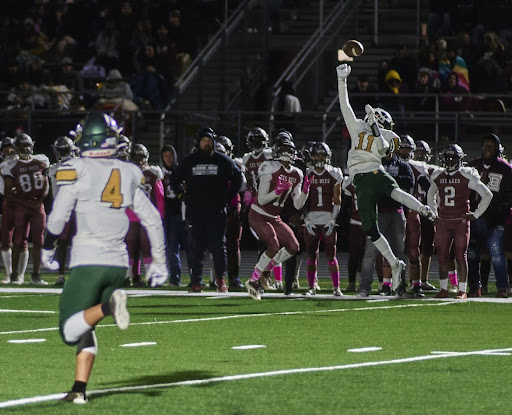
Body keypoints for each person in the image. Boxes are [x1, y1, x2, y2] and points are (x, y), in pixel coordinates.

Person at [40, 112, 167, 404]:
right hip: (117, 264)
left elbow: (58, 218)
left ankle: (111, 305)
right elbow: (152, 219)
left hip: (88, 260)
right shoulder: (128, 171)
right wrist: (158, 261)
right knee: (87, 326)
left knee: (70, 329)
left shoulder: (76, 168)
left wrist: (47, 248)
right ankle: (79, 390)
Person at [336, 63, 436, 293]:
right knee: (370, 230)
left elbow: (384, 148)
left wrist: (376, 129)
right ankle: (394, 263)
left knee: (396, 193)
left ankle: (423, 209)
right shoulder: (357, 126)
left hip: (373, 173)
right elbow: (345, 106)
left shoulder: (388, 135)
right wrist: (341, 79)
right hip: (360, 180)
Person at [171, 127, 243, 293]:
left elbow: (238, 177)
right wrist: (182, 195)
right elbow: (175, 179)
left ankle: (220, 280)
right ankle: (196, 281)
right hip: (195, 211)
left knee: (218, 247)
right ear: (198, 143)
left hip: (216, 211)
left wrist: (229, 196)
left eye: (209, 141)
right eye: (204, 141)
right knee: (196, 247)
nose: (207, 144)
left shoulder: (223, 160)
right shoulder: (189, 161)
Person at [245, 134, 311, 300]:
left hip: (275, 216)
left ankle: (266, 269)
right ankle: (253, 280)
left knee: (294, 246)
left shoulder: (297, 173)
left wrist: (305, 192)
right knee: (273, 244)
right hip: (258, 214)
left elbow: (297, 205)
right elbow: (261, 199)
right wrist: (277, 191)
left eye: (289, 150)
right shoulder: (269, 166)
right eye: (283, 150)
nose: (286, 154)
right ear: (276, 151)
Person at [428, 144, 492, 299]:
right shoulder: (438, 175)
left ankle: (462, 289)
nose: (450, 161)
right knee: (442, 255)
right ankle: (443, 288)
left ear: (460, 159)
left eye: (453, 158)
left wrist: (476, 215)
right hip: (443, 220)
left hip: (460, 221)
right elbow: (430, 196)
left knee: (460, 255)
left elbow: (487, 194)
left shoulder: (467, 174)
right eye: (447, 158)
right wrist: (433, 214)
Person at [356, 137, 417, 297]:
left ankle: (400, 288)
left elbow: (410, 182)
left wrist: (386, 181)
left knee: (399, 251)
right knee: (370, 252)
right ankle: (364, 287)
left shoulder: (402, 165)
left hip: (397, 212)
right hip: (378, 211)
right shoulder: (375, 164)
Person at [467, 134, 512, 298]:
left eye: (491, 145)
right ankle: (475, 287)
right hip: (475, 218)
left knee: (496, 253)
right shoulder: (472, 167)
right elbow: (467, 193)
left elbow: (509, 196)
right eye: (485, 145)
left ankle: (502, 287)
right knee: (472, 254)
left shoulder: (505, 169)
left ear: (497, 148)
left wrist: (500, 212)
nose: (487, 148)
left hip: (494, 219)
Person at [2, 133, 49, 285]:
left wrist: (40, 200)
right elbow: (8, 191)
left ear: (32, 145)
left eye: (28, 145)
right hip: (21, 206)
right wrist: (25, 203)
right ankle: (15, 274)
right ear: (17, 147)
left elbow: (46, 183)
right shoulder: (11, 165)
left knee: (38, 241)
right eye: (22, 146)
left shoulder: (41, 160)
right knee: (18, 240)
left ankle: (36, 274)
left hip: (37, 205)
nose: (26, 148)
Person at [303, 142, 344, 296]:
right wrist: (306, 220)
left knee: (331, 255)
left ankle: (336, 287)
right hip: (311, 219)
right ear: (312, 156)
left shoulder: (334, 173)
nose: (320, 157)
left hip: (327, 219)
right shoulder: (306, 173)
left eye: (323, 154)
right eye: (318, 154)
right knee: (311, 255)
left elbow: (337, 199)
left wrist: (333, 220)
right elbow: (302, 200)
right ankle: (311, 286)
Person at [125, 144, 164, 286]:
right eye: (136, 157)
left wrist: (159, 216)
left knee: (147, 246)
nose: (139, 160)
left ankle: (151, 276)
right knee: (130, 247)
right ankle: (127, 276)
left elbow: (159, 196)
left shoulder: (153, 174)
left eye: (141, 157)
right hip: (130, 215)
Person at [217, 135, 246, 289]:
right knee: (216, 245)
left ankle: (234, 277)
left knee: (233, 245)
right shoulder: (210, 165)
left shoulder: (236, 165)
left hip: (232, 208)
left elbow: (242, 186)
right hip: (215, 208)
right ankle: (218, 278)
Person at [48, 136, 78, 285]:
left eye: (64, 149)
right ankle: (61, 275)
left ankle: (75, 275)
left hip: (78, 208)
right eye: (61, 150)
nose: (63, 152)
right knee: (63, 242)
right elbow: (55, 192)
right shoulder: (55, 168)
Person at [161, 144, 186, 286]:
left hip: (183, 212)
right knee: (171, 248)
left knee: (191, 247)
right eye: (165, 156)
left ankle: (196, 278)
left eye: (170, 155)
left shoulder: (181, 171)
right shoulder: (159, 173)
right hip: (169, 214)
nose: (168, 159)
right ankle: (175, 278)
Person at [0, 137, 19, 284]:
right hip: (8, 202)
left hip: (24, 202)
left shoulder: (24, 162)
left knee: (22, 240)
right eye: (6, 148)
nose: (9, 150)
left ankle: (20, 275)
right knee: (6, 239)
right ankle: (9, 273)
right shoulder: (3, 165)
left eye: (11, 147)